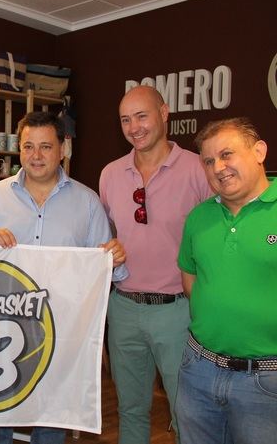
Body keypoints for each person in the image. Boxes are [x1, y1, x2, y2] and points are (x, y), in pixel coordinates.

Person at [0, 111, 127, 444]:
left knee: (52, 418)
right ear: (19, 149)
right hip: (1, 324)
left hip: (61, 330)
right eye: (28, 147)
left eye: (45, 147)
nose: (36, 156)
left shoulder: (87, 203)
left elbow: (103, 269)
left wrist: (113, 258)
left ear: (62, 149)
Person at [98, 85, 211, 444]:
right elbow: (107, 232)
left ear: (164, 113)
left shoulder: (198, 169)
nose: (134, 127)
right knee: (130, 411)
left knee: (187, 413)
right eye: (125, 120)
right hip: (124, 308)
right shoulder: (110, 174)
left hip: (178, 311)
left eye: (142, 116)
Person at [176, 118, 277, 444]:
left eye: (227, 154)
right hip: (199, 369)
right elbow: (190, 279)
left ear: (259, 151)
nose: (218, 167)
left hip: (266, 379)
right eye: (208, 161)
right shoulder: (199, 217)